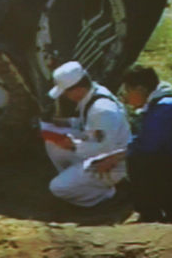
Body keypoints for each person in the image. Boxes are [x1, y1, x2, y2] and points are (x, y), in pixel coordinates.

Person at [95, 65, 172, 223]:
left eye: (128, 91)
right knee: (139, 157)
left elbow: (147, 146)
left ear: (141, 89)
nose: (126, 97)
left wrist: (114, 158)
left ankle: (160, 210)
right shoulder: (159, 106)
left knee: (138, 159)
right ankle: (170, 207)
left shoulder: (165, 108)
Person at [41, 61, 131, 207]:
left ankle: (110, 194)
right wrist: (68, 123)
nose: (64, 95)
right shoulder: (93, 94)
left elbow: (105, 149)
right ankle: (80, 183)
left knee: (58, 188)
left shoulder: (102, 110)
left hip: (112, 165)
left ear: (78, 89)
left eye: (65, 91)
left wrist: (74, 145)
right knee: (52, 144)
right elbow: (90, 127)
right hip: (101, 151)